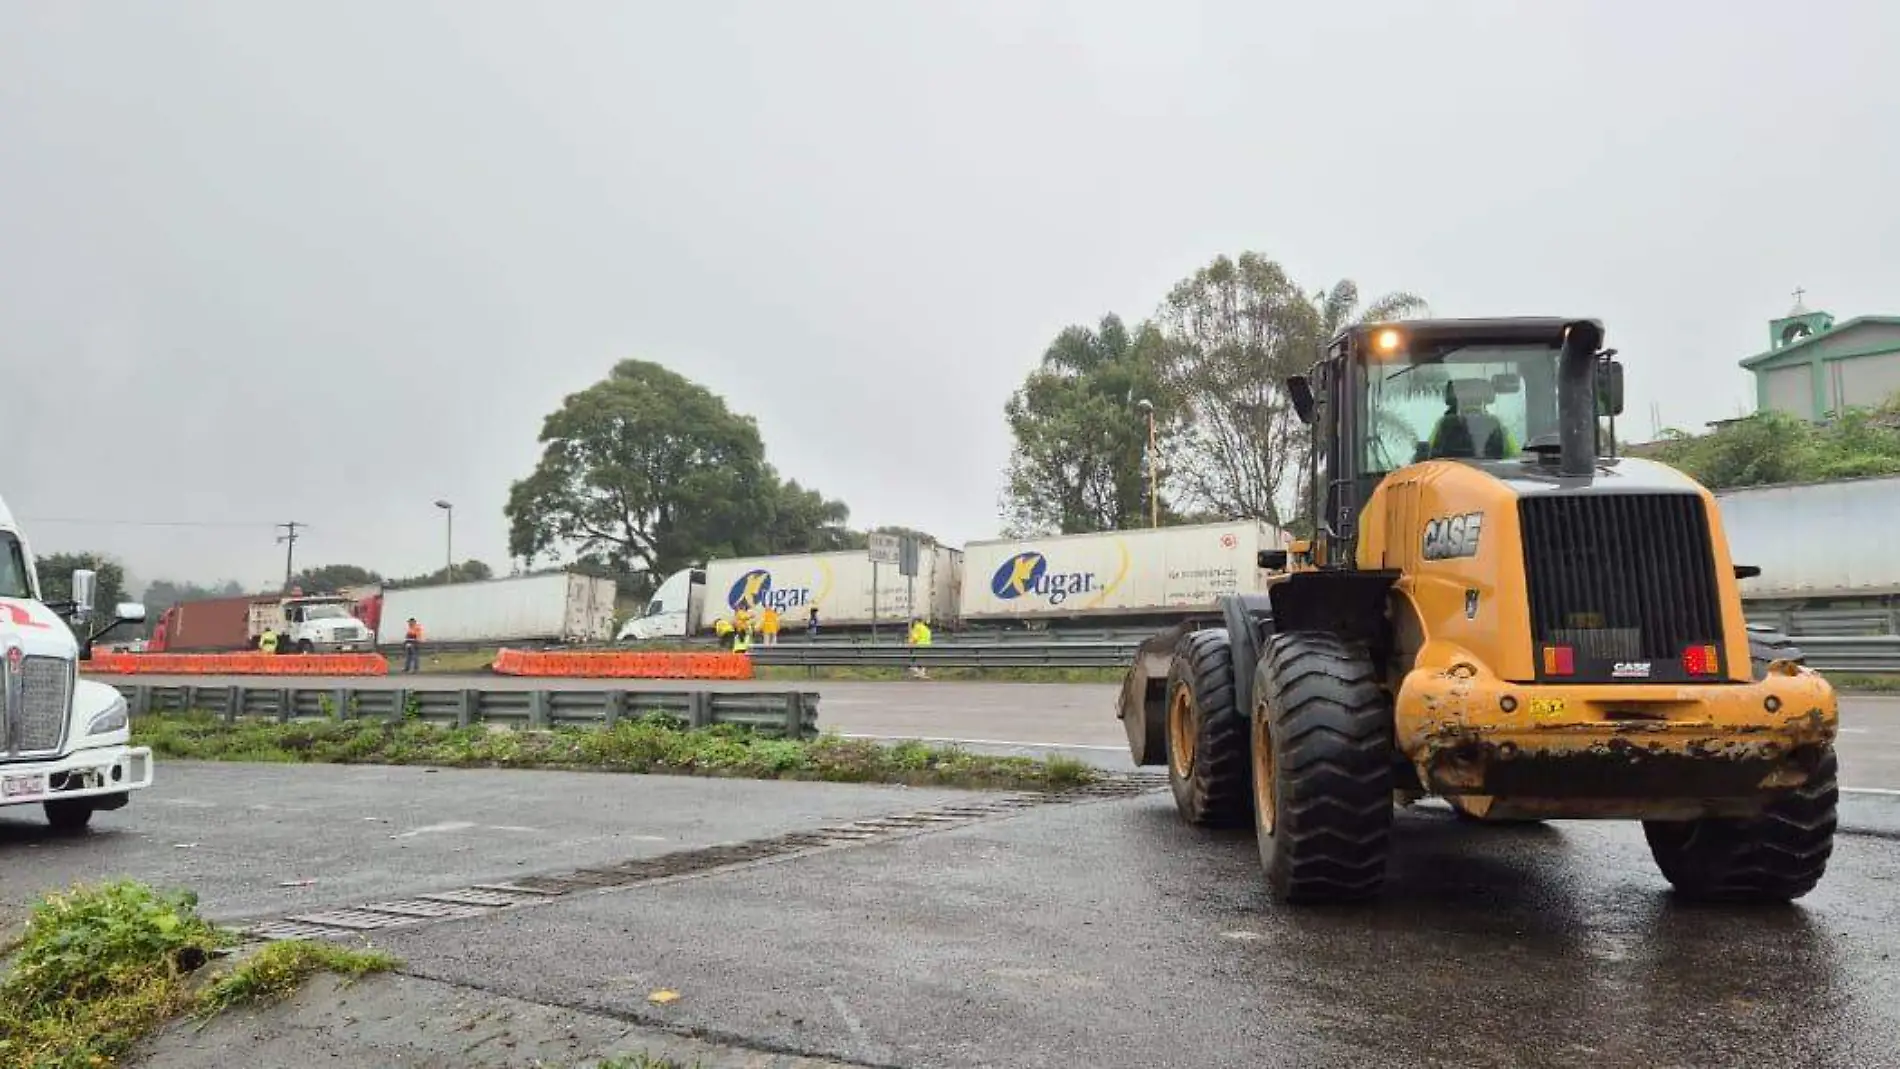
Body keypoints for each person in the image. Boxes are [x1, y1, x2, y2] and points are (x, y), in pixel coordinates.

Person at [1428, 379, 1517, 460]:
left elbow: (1428, 453)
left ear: (1456, 401)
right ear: (1484, 400)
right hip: (1492, 476)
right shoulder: (1496, 423)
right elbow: (1515, 456)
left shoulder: (1444, 424)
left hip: (1447, 476)